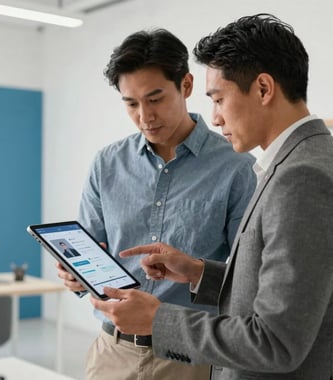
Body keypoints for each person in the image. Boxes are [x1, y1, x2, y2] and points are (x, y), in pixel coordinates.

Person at [92, 14, 333, 379]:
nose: (214, 117)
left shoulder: (303, 178)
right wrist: (199, 273)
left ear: (263, 89)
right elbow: (273, 291)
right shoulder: (306, 161)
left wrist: (158, 319)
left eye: (218, 99)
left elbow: (276, 341)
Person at [57, 28, 256, 379]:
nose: (145, 116)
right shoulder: (107, 164)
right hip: (111, 352)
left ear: (187, 85)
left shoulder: (235, 166)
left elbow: (247, 275)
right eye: (131, 103)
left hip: (188, 355)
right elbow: (91, 250)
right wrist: (76, 275)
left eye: (155, 98)